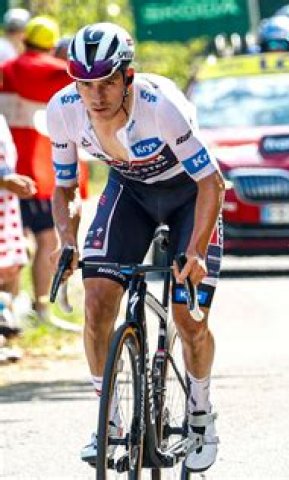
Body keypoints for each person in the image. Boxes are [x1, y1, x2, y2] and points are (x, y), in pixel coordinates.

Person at [48, 22, 224, 472]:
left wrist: (196, 251)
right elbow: (64, 188)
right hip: (130, 192)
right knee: (96, 301)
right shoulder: (63, 110)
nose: (96, 95)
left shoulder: (160, 105)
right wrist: (67, 241)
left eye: (107, 82)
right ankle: (108, 422)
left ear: (128, 76)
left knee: (189, 318)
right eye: (85, 83)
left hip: (189, 195)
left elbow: (212, 182)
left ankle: (200, 413)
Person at [0, 16, 77, 325]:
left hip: (7, 173)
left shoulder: (6, 69)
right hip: (38, 173)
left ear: (24, 39)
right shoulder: (56, 73)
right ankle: (41, 308)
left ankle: (10, 311)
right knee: (46, 239)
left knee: (12, 245)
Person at [0, 112, 34, 340]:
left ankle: (5, 328)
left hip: (6, 208)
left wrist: (13, 180)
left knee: (12, 265)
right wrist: (5, 181)